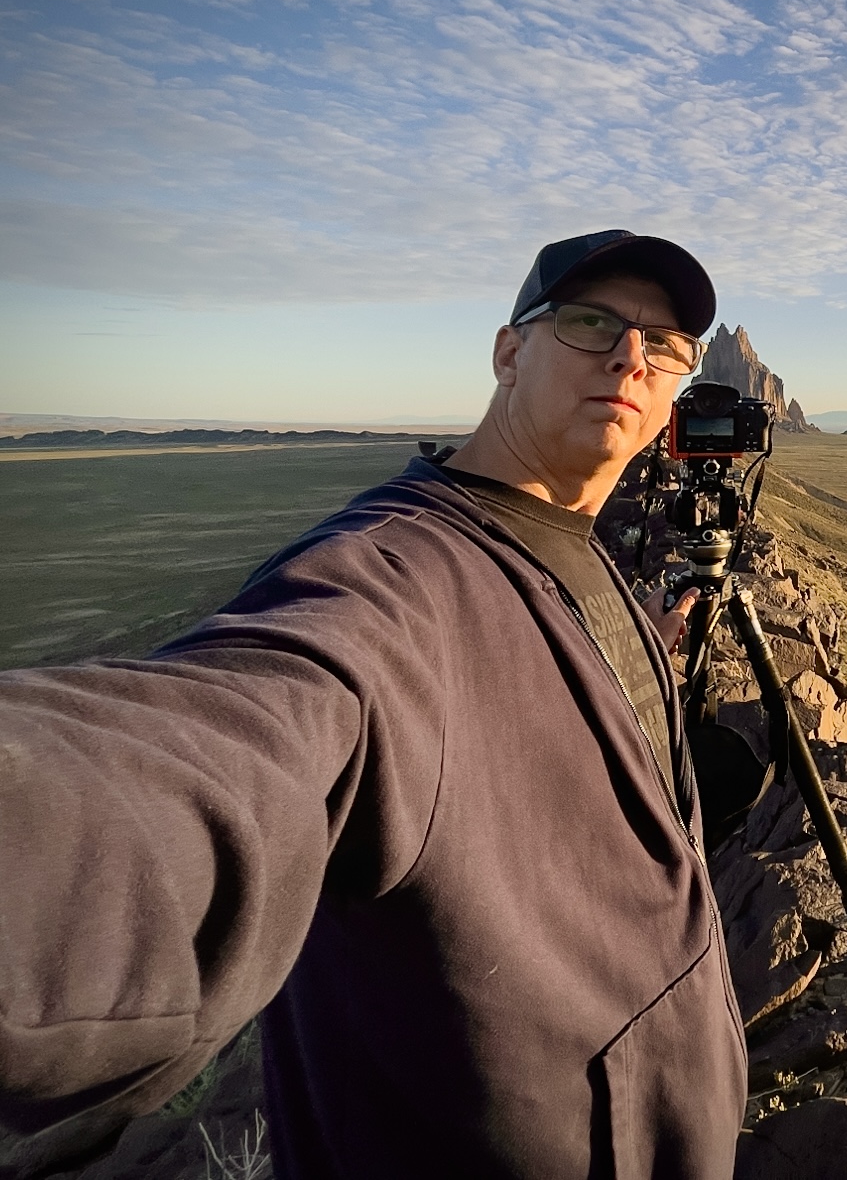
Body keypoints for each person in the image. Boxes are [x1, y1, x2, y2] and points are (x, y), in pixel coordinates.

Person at [0, 231, 748, 1180]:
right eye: (590, 321)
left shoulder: (564, 540)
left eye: (666, 344)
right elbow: (248, 731)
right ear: (508, 350)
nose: (630, 357)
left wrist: (631, 657)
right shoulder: (392, 575)